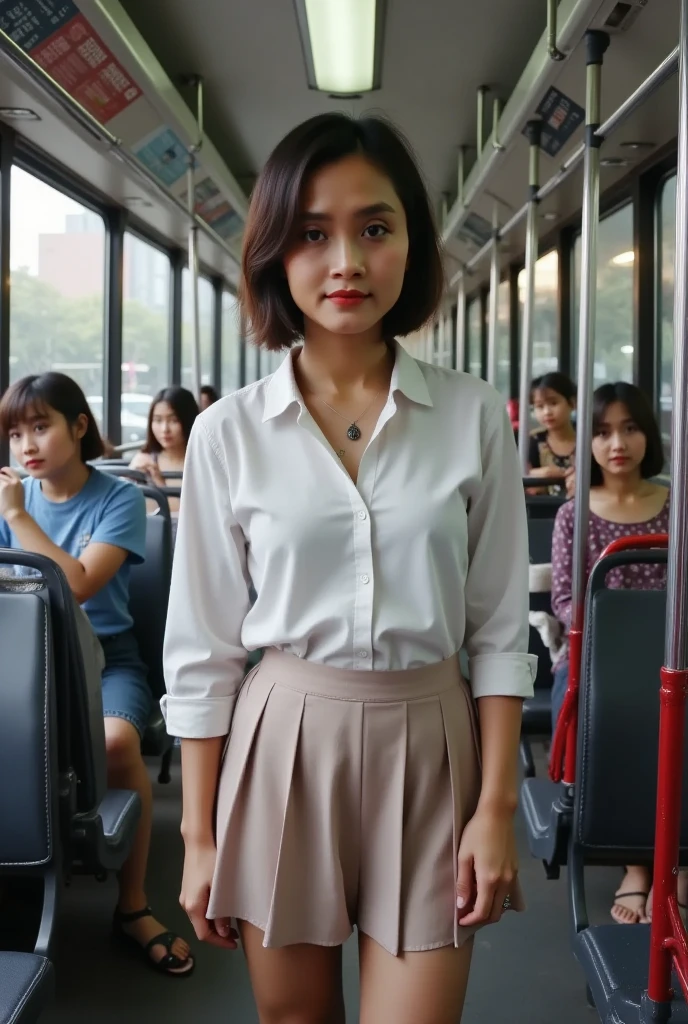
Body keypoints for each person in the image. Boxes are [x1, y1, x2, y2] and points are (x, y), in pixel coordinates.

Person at [163, 112, 536, 1023]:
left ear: (410, 240)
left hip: (432, 740)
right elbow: (203, 650)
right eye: (314, 234)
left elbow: (495, 633)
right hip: (283, 737)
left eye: (375, 228)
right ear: (274, 256)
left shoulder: (474, 415)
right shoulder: (228, 433)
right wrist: (199, 833)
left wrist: (497, 806)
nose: (347, 262)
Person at [0, 372, 194, 977]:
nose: (26, 445)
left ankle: (132, 905)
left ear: (78, 427)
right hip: (18, 660)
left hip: (106, 658)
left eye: (40, 426)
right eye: (14, 434)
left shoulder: (115, 499)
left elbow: (79, 585)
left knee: (114, 743)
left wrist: (17, 518)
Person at [550, 381, 669, 926]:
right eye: (602, 432)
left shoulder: (677, 505)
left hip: (671, 655)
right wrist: (620, 635)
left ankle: (679, 859)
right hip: (598, 658)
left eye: (629, 428)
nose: (617, 443)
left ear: (648, 433)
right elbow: (564, 599)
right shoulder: (574, 515)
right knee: (614, 720)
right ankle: (638, 864)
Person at [130, 386, 199, 515]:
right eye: (157, 420)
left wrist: (159, 483)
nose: (164, 429)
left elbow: (189, 516)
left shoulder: (201, 462)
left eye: (173, 420)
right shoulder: (144, 461)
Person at [527, 372, 577, 495]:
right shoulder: (532, 440)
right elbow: (518, 477)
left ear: (572, 403)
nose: (547, 412)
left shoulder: (589, 437)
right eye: (539, 406)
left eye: (553, 403)